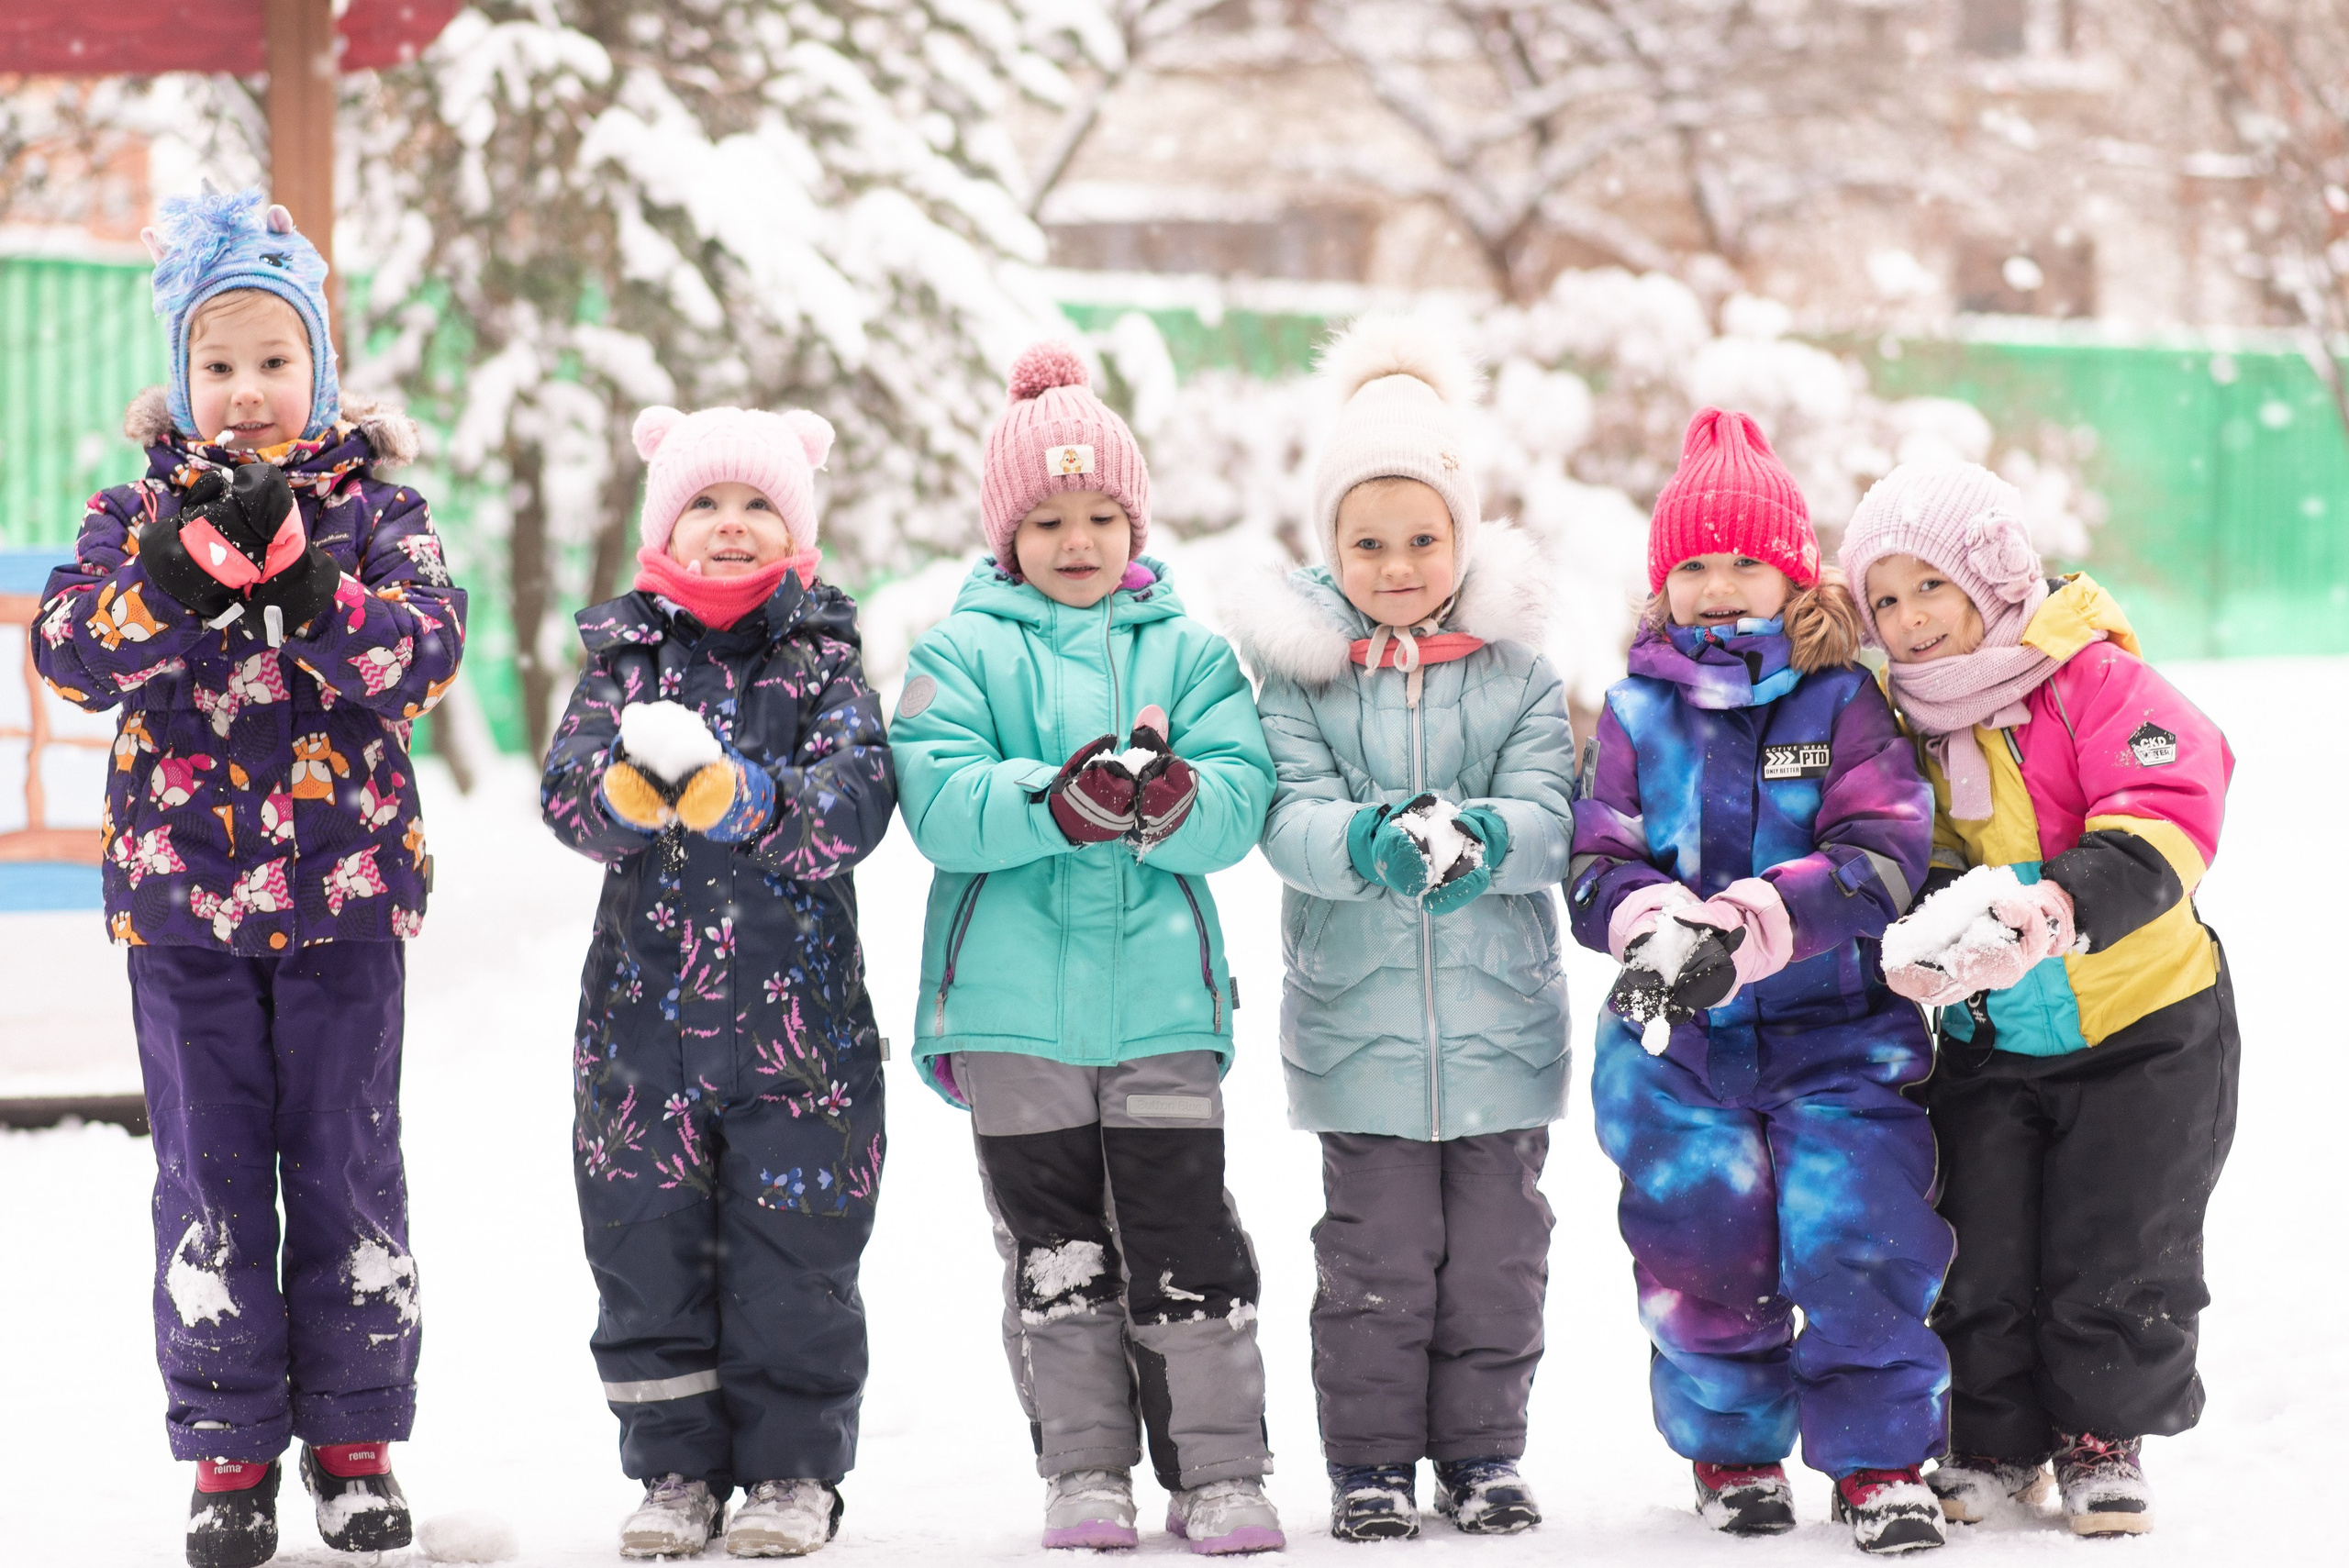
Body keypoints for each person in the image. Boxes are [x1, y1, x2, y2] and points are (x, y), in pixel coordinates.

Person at [30, 185, 464, 1568]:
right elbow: (70, 650)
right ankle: (226, 1452)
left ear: (320, 368)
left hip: (344, 903)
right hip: (180, 906)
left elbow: (425, 649)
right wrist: (167, 584)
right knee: (208, 1175)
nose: (247, 392)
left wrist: (316, 598)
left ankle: (354, 1441)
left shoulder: (376, 512)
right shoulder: (131, 514)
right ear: (180, 378)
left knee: (345, 1161)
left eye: (275, 360)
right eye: (217, 364)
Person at [891, 343, 1285, 1555]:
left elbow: (1242, 795)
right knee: (1058, 1261)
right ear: (1006, 534)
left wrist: (1170, 799)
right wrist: (1049, 802)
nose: (1078, 539)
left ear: (1136, 520)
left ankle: (1218, 1471)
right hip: (1013, 1020)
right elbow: (937, 795)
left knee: (1188, 1250)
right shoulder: (958, 653)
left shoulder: (1193, 654)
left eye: (1102, 513)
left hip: (1162, 1004)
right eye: (1048, 517)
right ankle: (1085, 1470)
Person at [1567, 408, 1951, 1554]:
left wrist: (1758, 917)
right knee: (1698, 1241)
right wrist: (1649, 918)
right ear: (1661, 582)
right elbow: (1596, 857)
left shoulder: (1842, 701)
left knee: (1858, 1232)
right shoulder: (1637, 710)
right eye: (1693, 564)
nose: (1721, 586)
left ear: (1796, 576)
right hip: (1681, 1051)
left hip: (1841, 1035)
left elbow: (1883, 850)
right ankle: (1730, 1449)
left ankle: (1881, 1460)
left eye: (1747, 562)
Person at [1227, 315, 1575, 1542]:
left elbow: (1550, 818)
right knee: (1375, 1266)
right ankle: (1369, 1465)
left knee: (1494, 1260)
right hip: (1358, 1029)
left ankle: (1483, 1452)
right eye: (1366, 542)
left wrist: (1482, 835)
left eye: (1422, 536)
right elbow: (1289, 821)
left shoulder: (1521, 676)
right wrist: (1366, 842)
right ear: (1330, 546)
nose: (1397, 563)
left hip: (1500, 1030)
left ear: (1463, 532)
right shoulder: (1302, 680)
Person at [1844, 462, 2236, 1539]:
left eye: (1930, 585)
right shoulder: (1899, 718)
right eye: (1884, 598)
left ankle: (2102, 1434)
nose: (1909, 619)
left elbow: (2165, 807)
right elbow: (1897, 848)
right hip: (1991, 1034)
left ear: (1990, 575)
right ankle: (1994, 1436)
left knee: (2119, 1241)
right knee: (1982, 1241)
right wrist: (1921, 934)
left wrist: (2056, 899)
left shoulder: (2089, 678)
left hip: (2141, 1024)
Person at [540, 404, 896, 1558]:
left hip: (802, 1043)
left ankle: (795, 1471)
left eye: (758, 506)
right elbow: (564, 797)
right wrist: (621, 803)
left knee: (798, 1255)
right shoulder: (622, 660)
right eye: (706, 503)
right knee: (647, 1254)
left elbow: (855, 806)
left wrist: (753, 800)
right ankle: (675, 1471)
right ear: (664, 527)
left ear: (796, 533)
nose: (731, 526)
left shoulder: (825, 659)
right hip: (641, 1039)